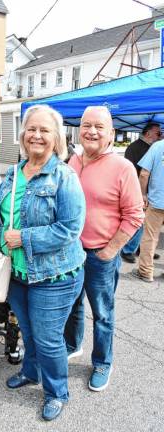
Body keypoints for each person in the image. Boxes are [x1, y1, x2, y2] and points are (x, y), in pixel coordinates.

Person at [0, 104, 86, 421]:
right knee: (28, 332)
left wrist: (23, 238)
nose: (36, 135)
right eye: (31, 129)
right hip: (18, 273)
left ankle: (57, 393)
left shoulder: (64, 177)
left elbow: (70, 229)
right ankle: (31, 372)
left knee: (49, 339)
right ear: (23, 135)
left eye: (44, 130)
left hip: (54, 276)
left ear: (56, 138)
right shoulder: (14, 173)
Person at [64, 106, 144, 392]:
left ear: (112, 133)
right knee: (72, 306)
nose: (92, 131)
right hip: (70, 253)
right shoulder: (71, 162)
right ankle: (72, 345)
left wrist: (111, 251)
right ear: (79, 129)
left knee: (102, 313)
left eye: (99, 126)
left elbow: (135, 215)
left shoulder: (123, 168)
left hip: (101, 255)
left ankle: (102, 362)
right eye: (87, 125)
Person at [121, 122, 161, 263]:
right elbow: (134, 171)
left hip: (147, 190)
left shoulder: (150, 147)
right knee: (139, 221)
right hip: (137, 189)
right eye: (158, 133)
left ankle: (141, 249)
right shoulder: (136, 147)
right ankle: (128, 249)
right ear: (148, 133)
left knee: (146, 223)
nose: (160, 136)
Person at [131, 139, 164, 282]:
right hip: (157, 200)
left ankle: (145, 272)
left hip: (157, 201)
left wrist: (142, 194)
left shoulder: (158, 146)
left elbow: (144, 173)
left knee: (150, 237)